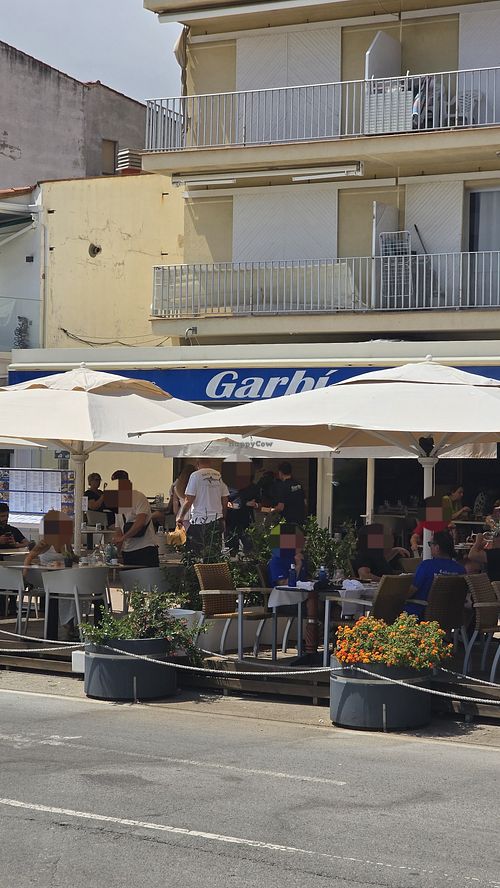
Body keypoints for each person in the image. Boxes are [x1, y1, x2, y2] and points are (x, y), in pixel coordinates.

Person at [24, 511, 78, 640]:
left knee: (77, 591)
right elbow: (29, 557)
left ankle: (73, 624)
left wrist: (87, 559)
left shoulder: (66, 542)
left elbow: (72, 557)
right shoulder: (45, 542)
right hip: (47, 579)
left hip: (63, 577)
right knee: (69, 593)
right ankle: (69, 625)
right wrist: (25, 576)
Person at [404, 530, 465, 619]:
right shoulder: (460, 569)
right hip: (450, 616)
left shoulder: (427, 566)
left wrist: (397, 597)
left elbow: (412, 590)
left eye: (430, 544)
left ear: (437, 547)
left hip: (420, 613)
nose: (430, 547)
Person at [176, 458, 229, 555]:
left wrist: (181, 517)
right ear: (210, 462)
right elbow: (225, 500)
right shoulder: (219, 475)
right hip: (216, 520)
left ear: (197, 464)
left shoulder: (195, 476)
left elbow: (188, 500)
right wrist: (223, 517)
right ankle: (212, 570)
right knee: (213, 555)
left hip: (199, 520)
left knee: (194, 554)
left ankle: (196, 570)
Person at [109, 472, 159, 567]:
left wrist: (123, 538)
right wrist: (115, 553)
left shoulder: (139, 497)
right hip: (128, 551)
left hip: (145, 548)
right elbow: (119, 530)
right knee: (130, 580)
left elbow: (140, 522)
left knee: (148, 580)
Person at [269, 462, 306, 526]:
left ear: (280, 472)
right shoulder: (298, 484)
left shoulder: (282, 486)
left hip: (288, 521)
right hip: (300, 520)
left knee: (278, 535)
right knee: (298, 536)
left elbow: (280, 507)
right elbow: (305, 502)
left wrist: (272, 510)